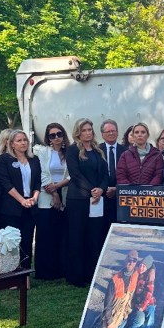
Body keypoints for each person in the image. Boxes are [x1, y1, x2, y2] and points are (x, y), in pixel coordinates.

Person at [65, 118, 109, 288]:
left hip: (97, 200)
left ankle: (91, 273)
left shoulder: (98, 151)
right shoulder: (73, 150)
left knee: (93, 237)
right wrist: (92, 190)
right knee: (77, 237)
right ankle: (76, 276)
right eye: (84, 130)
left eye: (90, 129)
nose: (88, 132)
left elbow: (105, 175)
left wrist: (101, 190)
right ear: (78, 132)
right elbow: (75, 174)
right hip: (78, 200)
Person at [0, 129, 41, 270]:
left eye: (25, 140)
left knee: (27, 240)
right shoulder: (5, 160)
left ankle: (25, 274)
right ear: (12, 144)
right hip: (12, 206)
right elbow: (6, 183)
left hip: (30, 205)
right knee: (11, 241)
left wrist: (34, 198)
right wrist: (22, 200)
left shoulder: (34, 159)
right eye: (19, 140)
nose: (23, 143)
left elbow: (37, 182)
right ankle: (9, 272)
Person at [33, 123, 70, 280]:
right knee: (45, 233)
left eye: (59, 134)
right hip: (46, 194)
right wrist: (54, 193)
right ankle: (44, 272)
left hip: (65, 192)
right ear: (47, 138)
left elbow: (72, 174)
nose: (56, 137)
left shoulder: (70, 152)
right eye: (52, 135)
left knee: (61, 233)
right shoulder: (43, 152)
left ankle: (60, 269)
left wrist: (59, 188)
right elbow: (41, 172)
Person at [99, 251, 151, 328]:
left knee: (140, 317)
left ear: (136, 263)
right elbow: (107, 305)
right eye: (129, 259)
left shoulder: (137, 274)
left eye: (134, 260)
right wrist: (110, 323)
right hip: (115, 318)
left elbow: (149, 266)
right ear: (125, 260)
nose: (131, 263)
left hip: (127, 314)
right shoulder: (114, 279)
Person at [99, 120, 121, 231]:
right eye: (108, 131)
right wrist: (104, 189)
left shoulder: (126, 151)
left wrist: (116, 189)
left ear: (117, 133)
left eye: (113, 131)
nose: (111, 133)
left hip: (120, 197)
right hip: (101, 196)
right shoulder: (96, 150)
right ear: (102, 134)